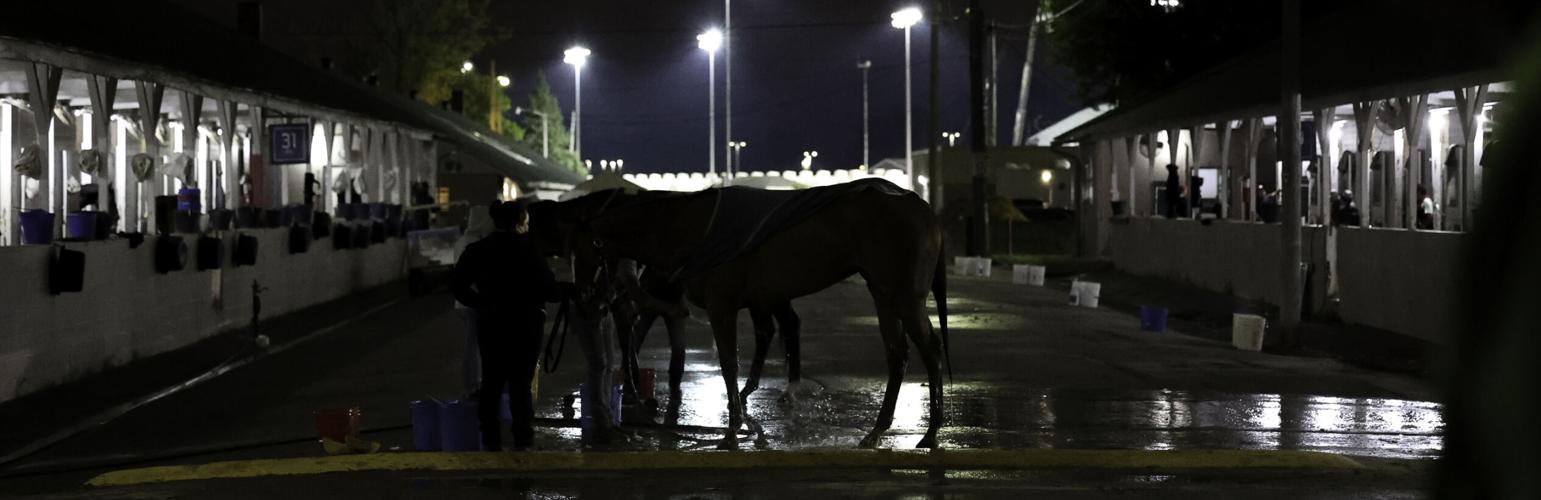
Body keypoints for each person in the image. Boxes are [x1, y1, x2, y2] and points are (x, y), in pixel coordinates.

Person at [452, 200, 568, 451]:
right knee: (520, 384)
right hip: (526, 325)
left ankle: (491, 439)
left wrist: (481, 303)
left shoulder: (478, 249)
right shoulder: (530, 250)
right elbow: (549, 290)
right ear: (520, 222)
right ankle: (522, 438)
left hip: (491, 323)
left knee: (491, 382)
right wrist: (566, 290)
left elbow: (458, 286)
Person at [452, 205, 494, 397]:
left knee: (472, 345)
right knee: (474, 346)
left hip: (461, 303)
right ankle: (472, 386)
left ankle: (473, 384)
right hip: (474, 302)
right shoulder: (476, 243)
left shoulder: (461, 241)